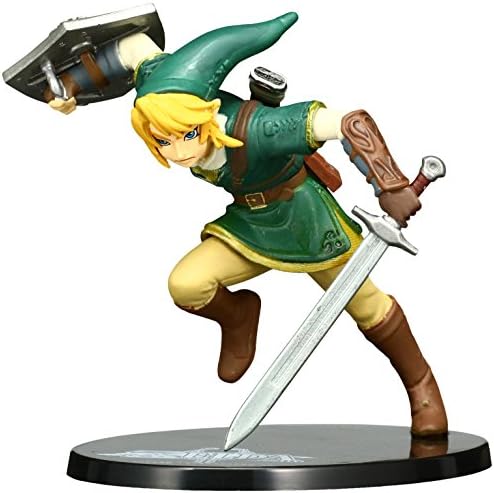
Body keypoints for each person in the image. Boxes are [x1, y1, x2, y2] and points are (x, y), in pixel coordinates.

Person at [47, 12, 447, 438]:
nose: (177, 152)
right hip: (249, 222)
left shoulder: (261, 130)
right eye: (163, 141)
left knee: (367, 305)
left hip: (306, 219)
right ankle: (239, 315)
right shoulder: (161, 88)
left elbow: (348, 122)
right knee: (187, 285)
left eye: (187, 135)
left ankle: (421, 386)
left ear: (207, 114)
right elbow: (131, 49)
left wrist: (390, 183)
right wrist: (69, 85)